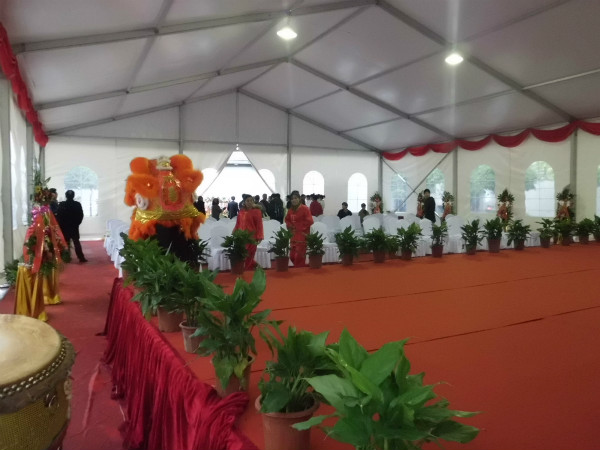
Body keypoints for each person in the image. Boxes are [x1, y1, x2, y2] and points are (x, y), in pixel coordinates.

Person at [233, 194, 264, 270]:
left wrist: (260, 236)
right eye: (247, 201)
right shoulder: (241, 212)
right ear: (244, 202)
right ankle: (256, 267)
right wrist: (235, 232)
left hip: (252, 238)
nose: (249, 202)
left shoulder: (257, 212)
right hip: (242, 237)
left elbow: (259, 225)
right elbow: (238, 223)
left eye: (251, 200)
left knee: (249, 256)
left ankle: (248, 271)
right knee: (244, 255)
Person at [56, 190, 87, 262]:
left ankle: (66, 258)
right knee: (76, 242)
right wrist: (77, 223)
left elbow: (59, 216)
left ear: (66, 196)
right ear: (73, 196)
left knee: (66, 243)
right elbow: (81, 215)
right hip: (74, 226)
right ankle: (81, 257)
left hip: (64, 227)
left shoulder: (62, 204)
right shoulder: (77, 204)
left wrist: (61, 225)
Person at [285, 190, 313, 267]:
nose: (294, 200)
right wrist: (290, 225)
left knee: (299, 255)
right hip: (293, 235)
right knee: (292, 256)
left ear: (299, 199)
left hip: (302, 234)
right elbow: (287, 219)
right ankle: (297, 268)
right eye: (292, 199)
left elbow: (310, 221)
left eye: (295, 198)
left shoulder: (305, 208)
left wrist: (300, 227)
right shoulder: (290, 210)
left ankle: (300, 270)